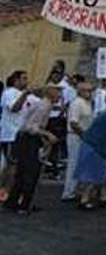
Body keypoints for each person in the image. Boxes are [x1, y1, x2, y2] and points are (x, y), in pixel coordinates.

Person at [3, 85, 59, 215]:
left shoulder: (45, 105)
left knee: (23, 172)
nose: (60, 95)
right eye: (57, 91)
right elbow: (30, 127)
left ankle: (13, 202)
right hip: (27, 140)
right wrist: (46, 134)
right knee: (29, 173)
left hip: (26, 139)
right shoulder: (43, 106)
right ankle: (23, 204)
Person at [0, 71, 33, 198]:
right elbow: (14, 108)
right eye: (24, 78)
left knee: (17, 166)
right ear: (16, 80)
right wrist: (25, 94)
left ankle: (10, 193)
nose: (27, 81)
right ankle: (3, 192)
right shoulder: (9, 93)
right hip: (10, 135)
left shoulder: (24, 95)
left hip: (21, 134)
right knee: (10, 166)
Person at [62, 82, 95, 202]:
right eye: (87, 90)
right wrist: (83, 135)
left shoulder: (88, 103)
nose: (89, 93)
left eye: (91, 90)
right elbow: (73, 123)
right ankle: (68, 191)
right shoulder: (76, 103)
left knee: (80, 164)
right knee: (74, 163)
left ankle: (76, 190)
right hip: (75, 136)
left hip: (83, 136)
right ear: (79, 91)